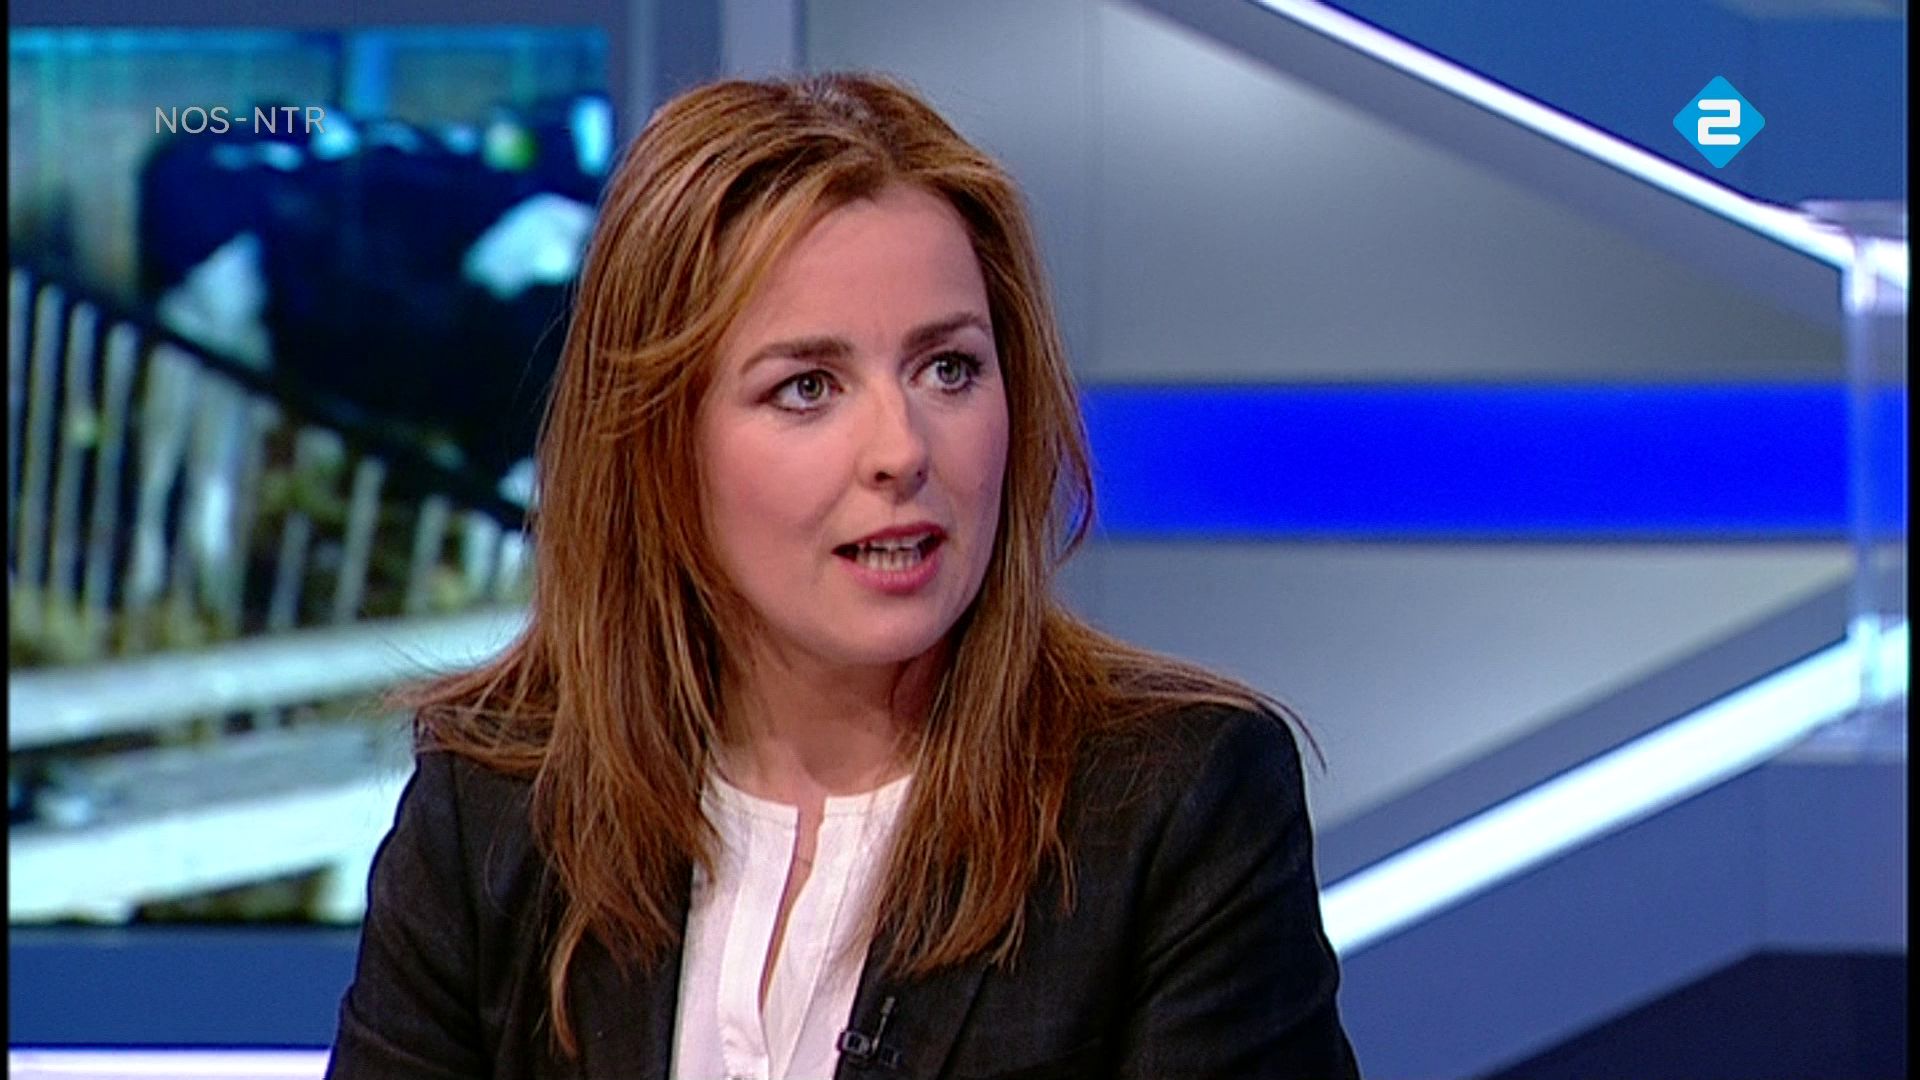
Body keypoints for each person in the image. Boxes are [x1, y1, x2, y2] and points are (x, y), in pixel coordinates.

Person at [326, 72, 1359, 1080]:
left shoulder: (1173, 807)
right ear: (657, 442)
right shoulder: (495, 807)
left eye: (949, 368)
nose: (901, 450)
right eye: (808, 387)